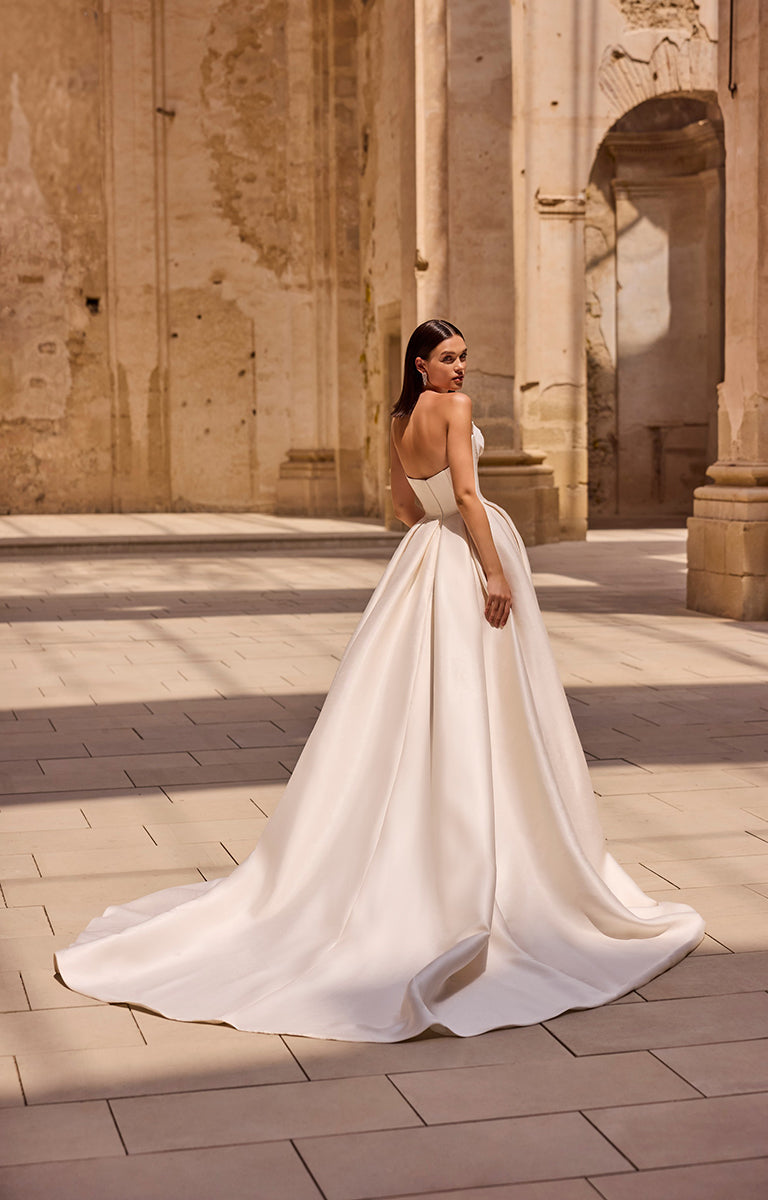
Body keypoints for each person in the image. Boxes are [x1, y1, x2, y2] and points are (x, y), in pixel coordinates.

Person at [55, 319, 704, 1041]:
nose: (461, 370)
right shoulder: (454, 412)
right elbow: (464, 494)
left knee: (414, 695)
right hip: (462, 554)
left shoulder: (399, 418)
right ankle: (495, 845)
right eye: (448, 359)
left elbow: (406, 508)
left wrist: (445, 527)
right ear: (420, 364)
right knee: (484, 695)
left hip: (421, 561)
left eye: (465, 357)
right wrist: (492, 568)